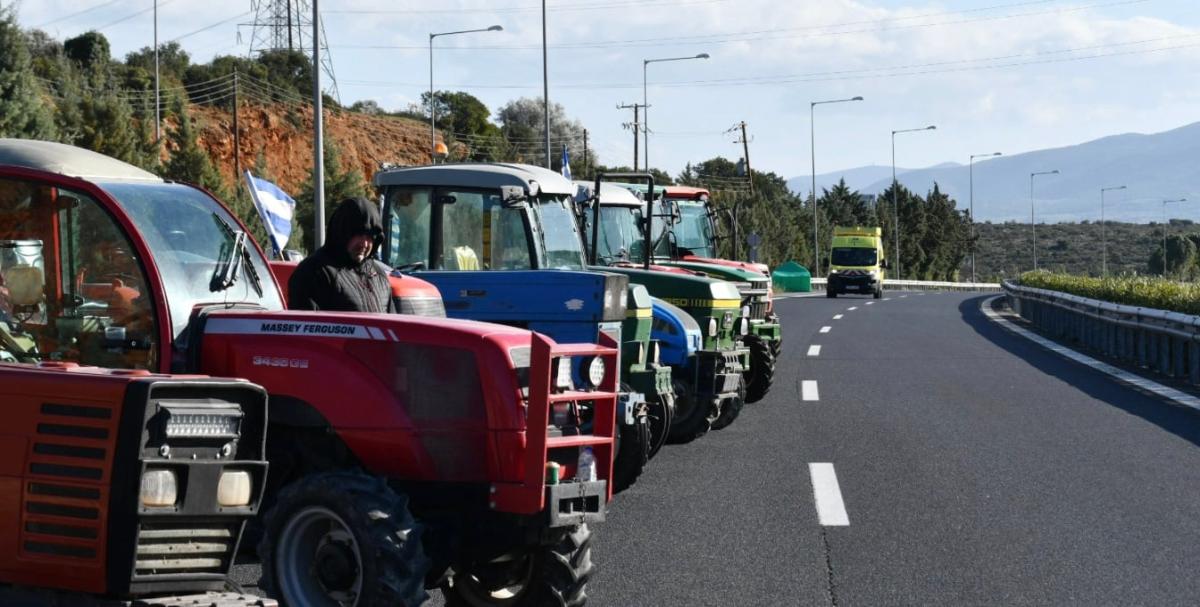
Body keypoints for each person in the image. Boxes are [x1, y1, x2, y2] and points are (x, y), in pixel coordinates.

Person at [288, 197, 396, 313]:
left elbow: (393, 325)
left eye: (370, 236)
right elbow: (307, 327)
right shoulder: (313, 273)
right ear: (342, 232)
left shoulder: (378, 274)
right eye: (359, 234)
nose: (364, 243)